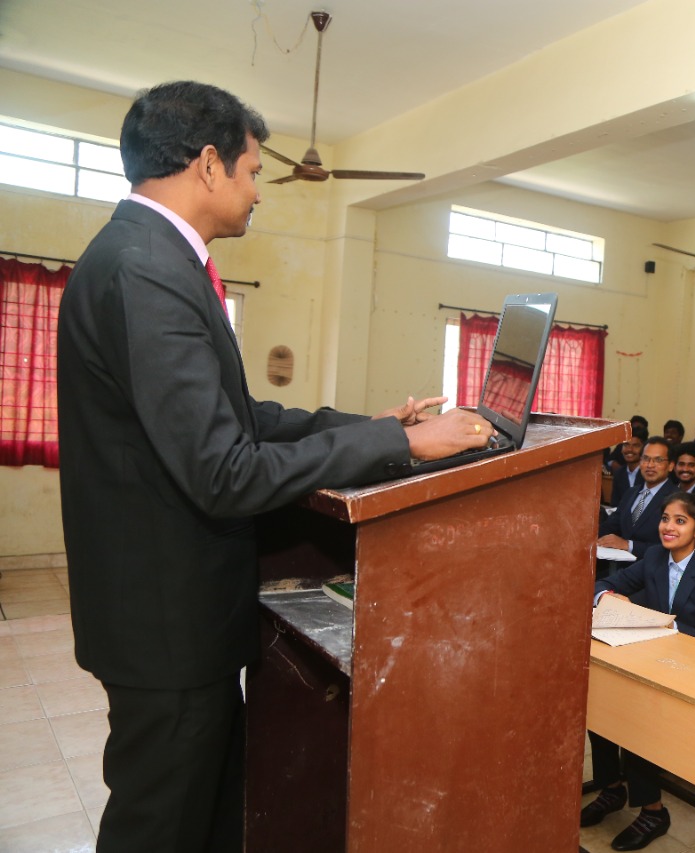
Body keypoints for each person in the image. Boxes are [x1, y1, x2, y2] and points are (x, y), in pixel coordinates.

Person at [56, 81, 496, 853]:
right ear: (209, 164)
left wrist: (376, 428)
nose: (259, 191)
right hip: (164, 622)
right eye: (254, 171)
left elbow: (244, 415)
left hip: (171, 613)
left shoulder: (150, 257)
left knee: (208, 815)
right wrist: (403, 448)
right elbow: (225, 469)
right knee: (160, 826)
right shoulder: (146, 269)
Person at [582, 493, 695, 851]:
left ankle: (653, 811)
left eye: (680, 521)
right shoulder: (654, 557)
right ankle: (612, 788)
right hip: (650, 657)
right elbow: (603, 584)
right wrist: (606, 597)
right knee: (601, 708)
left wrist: (660, 623)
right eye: (665, 518)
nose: (669, 527)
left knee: (637, 721)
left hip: (691, 666)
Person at [598, 437, 677, 558]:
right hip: (618, 564)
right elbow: (611, 525)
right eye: (645, 458)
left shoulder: (678, 500)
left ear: (671, 466)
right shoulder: (631, 492)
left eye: (658, 460)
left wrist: (629, 545)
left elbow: (672, 547)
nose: (650, 465)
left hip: (652, 567)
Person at [608, 429, 647, 507]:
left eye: (635, 445)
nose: (629, 449)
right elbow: (614, 504)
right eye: (626, 445)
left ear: (644, 449)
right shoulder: (619, 473)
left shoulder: (648, 472)